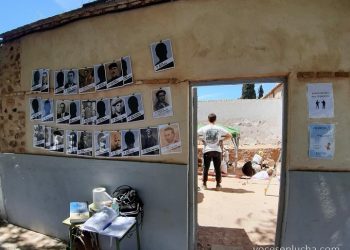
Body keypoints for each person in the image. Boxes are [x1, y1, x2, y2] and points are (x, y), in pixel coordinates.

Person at [197, 113, 232, 191]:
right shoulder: (219, 128)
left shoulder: (204, 128)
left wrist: (202, 140)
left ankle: (204, 185)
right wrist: (221, 140)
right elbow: (229, 135)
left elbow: (194, 134)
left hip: (207, 150)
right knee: (217, 168)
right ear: (215, 120)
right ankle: (218, 185)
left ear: (208, 119)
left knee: (206, 168)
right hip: (217, 150)